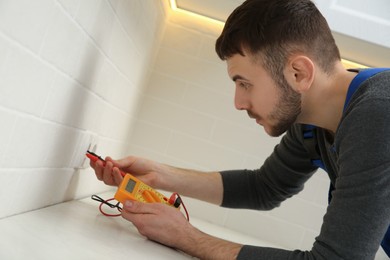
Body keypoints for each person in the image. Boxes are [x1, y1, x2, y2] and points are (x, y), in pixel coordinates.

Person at [90, 0, 390, 259]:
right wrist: (162, 176)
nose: (238, 102)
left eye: (244, 83)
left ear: (299, 73)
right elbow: (263, 188)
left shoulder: (379, 111)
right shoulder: (311, 125)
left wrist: (185, 237)